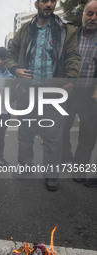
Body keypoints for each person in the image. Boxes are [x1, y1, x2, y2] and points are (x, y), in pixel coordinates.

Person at [5, 0, 80, 191]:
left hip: (53, 93)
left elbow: (73, 57)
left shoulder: (66, 30)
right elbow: (10, 53)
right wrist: (15, 69)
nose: (49, 4)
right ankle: (25, 166)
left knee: (53, 135)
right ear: (37, 3)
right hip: (27, 91)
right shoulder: (24, 29)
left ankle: (51, 175)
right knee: (26, 132)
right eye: (45, 1)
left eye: (53, 1)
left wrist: (71, 81)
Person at [62, 0, 97, 187]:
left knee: (87, 134)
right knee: (62, 126)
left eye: (96, 14)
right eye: (89, 13)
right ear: (83, 14)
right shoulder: (72, 36)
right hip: (70, 90)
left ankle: (79, 167)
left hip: (91, 93)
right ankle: (66, 155)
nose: (92, 18)